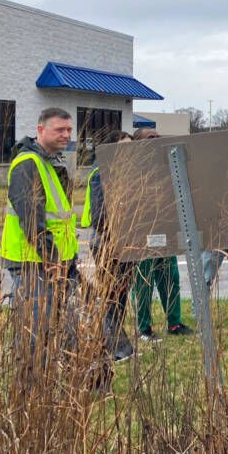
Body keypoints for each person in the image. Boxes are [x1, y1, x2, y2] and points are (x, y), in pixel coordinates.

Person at [0, 108, 82, 377]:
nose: (66, 135)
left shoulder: (50, 162)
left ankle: (64, 381)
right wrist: (51, 257)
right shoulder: (28, 163)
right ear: (40, 130)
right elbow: (31, 217)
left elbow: (59, 217)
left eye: (69, 130)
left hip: (55, 261)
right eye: (59, 130)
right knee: (36, 330)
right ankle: (31, 390)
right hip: (35, 262)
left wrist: (68, 256)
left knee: (64, 323)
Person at [130, 129, 194, 341]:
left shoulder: (167, 167)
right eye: (150, 138)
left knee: (170, 278)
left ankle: (174, 323)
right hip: (142, 234)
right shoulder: (132, 170)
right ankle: (144, 328)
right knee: (143, 283)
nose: (155, 141)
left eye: (157, 138)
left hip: (164, 233)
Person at [81, 130, 136, 361]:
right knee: (113, 294)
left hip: (123, 239)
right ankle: (111, 346)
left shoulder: (122, 172)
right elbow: (100, 214)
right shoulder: (101, 171)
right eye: (123, 146)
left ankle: (115, 344)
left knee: (120, 293)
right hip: (108, 241)